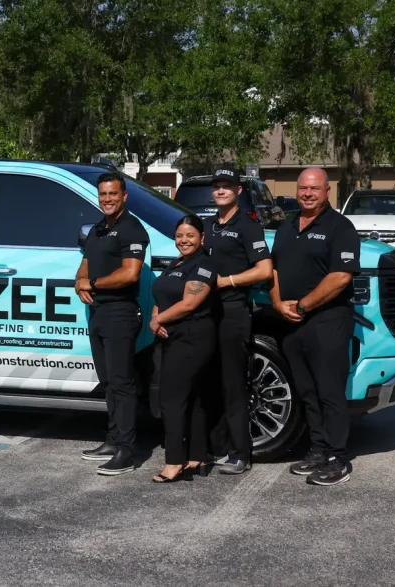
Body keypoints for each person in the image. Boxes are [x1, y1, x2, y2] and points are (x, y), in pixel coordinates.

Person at [271, 167, 360, 486]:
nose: (308, 193)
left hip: (327, 321)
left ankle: (338, 458)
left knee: (329, 391)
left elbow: (340, 277)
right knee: (307, 391)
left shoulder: (340, 226)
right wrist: (279, 303)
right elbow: (274, 271)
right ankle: (318, 449)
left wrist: (305, 304)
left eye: (315, 189)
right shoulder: (287, 225)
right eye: (303, 188)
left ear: (326, 192)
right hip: (292, 323)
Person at [76, 173, 150, 475]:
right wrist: (80, 281)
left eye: (113, 194)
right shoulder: (99, 228)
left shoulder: (132, 229)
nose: (107, 199)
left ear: (124, 196)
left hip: (120, 313)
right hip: (99, 314)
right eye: (103, 194)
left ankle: (126, 451)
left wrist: (91, 282)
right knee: (108, 381)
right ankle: (113, 438)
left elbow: (130, 274)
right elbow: (86, 260)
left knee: (122, 383)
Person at [203, 167, 273, 474]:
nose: (220, 190)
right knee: (211, 383)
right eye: (217, 186)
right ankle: (216, 446)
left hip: (233, 313)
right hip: (206, 314)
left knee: (234, 385)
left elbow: (264, 270)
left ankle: (240, 453)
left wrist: (226, 281)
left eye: (227, 186)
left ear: (238, 192)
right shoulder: (207, 226)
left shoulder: (248, 226)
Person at [149, 215, 218, 483]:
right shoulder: (178, 263)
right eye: (179, 235)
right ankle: (196, 457)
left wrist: (158, 320)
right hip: (173, 335)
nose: (184, 240)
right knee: (194, 400)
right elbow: (162, 297)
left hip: (192, 338)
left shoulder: (203, 266)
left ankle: (174, 462)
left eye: (190, 235)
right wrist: (158, 319)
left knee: (172, 400)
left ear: (202, 238)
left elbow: (189, 303)